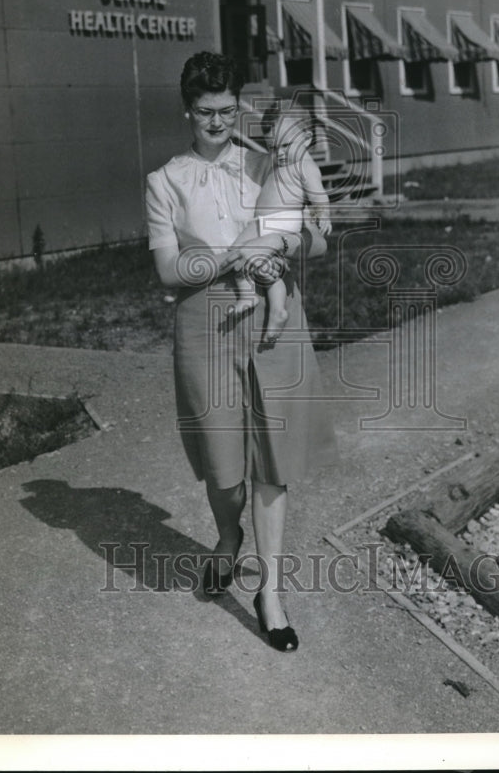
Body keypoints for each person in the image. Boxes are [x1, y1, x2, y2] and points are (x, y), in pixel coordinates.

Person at [145, 51, 339, 652]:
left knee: (273, 460)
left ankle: (270, 591)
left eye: (228, 110)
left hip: (274, 322)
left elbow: (320, 239)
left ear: (239, 106)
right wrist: (231, 256)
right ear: (188, 110)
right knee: (224, 471)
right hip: (205, 324)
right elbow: (169, 272)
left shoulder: (268, 164)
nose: (219, 123)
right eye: (206, 112)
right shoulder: (165, 180)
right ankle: (228, 539)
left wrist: (294, 237)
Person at [229, 110, 332, 344]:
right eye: (273, 148)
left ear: (307, 137)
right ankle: (277, 309)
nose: (280, 153)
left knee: (238, 250)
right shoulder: (287, 161)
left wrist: (322, 214)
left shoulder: (306, 165)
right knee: (267, 265)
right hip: (267, 222)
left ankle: (248, 296)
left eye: (285, 145)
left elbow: (319, 194)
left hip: (281, 221)